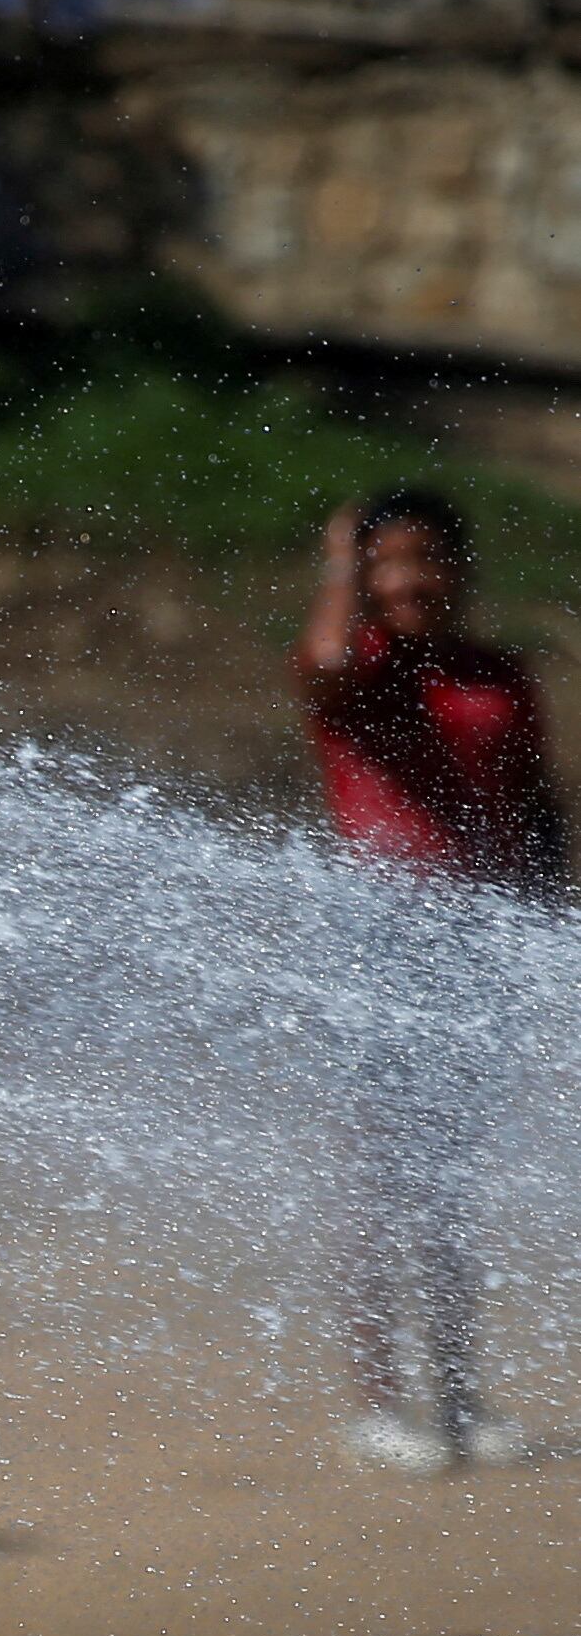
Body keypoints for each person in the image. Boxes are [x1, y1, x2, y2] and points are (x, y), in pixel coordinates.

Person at [295, 488, 565, 1475]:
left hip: (479, 940)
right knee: (378, 1175)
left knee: (452, 1182)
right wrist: (335, 556)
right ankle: (380, 1405)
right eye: (387, 562)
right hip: (376, 936)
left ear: (457, 569)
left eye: (427, 558)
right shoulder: (358, 670)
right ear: (364, 578)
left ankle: (458, 1398)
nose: (410, 578)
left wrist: (544, 928)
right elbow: (320, 667)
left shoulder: (498, 673)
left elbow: (537, 807)